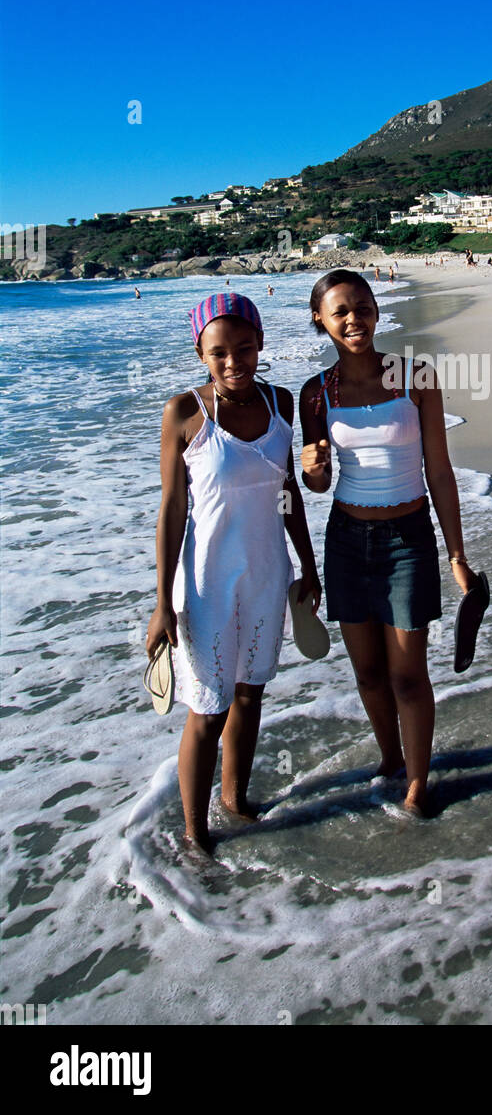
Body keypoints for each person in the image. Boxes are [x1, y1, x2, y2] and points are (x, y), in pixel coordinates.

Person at [146, 293, 320, 856]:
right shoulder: (184, 413)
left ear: (261, 344)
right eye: (218, 352)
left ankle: (235, 801)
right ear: (201, 352)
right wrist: (159, 605)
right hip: (206, 581)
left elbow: (288, 489)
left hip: (268, 571)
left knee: (251, 694)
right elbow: (173, 509)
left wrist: (309, 566)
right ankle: (196, 834)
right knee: (207, 707)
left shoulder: (281, 403)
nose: (233, 361)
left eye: (244, 348)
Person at [299, 270, 477, 818]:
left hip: (409, 540)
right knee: (369, 673)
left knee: (407, 672)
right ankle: (389, 757)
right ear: (321, 322)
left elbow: (440, 471)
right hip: (347, 542)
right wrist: (312, 470)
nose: (354, 319)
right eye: (340, 312)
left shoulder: (415, 377)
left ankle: (419, 782)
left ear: (377, 310)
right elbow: (319, 483)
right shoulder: (316, 393)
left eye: (363, 306)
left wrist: (457, 555)